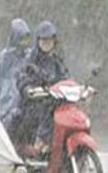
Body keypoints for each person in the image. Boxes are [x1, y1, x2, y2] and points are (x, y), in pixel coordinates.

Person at [15, 20, 69, 155]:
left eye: (49, 40)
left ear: (54, 41)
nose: (46, 43)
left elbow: (66, 78)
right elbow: (22, 77)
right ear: (37, 41)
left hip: (54, 102)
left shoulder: (57, 60)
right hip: (34, 103)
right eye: (43, 40)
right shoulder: (30, 59)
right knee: (39, 114)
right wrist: (28, 89)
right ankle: (39, 143)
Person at [0, 18, 31, 141]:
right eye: (22, 38)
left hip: (21, 99)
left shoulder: (29, 56)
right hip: (6, 101)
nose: (25, 42)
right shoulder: (5, 57)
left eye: (27, 38)